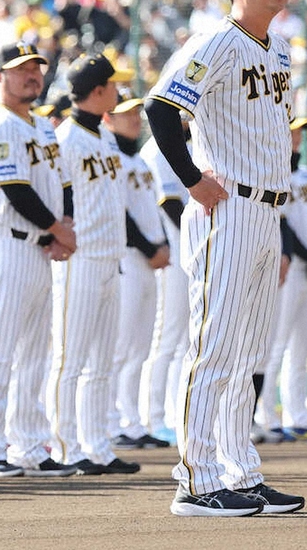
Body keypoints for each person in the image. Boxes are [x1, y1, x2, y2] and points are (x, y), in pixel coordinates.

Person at [145, 0, 305, 517]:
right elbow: (160, 108)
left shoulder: (281, 49)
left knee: (248, 353)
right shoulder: (215, 41)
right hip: (229, 206)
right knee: (213, 347)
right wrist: (191, 177)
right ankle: (196, 479)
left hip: (267, 209)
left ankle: (240, 469)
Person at [0, 42, 78, 478]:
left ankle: (29, 446)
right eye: (21, 69)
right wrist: (57, 228)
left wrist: (61, 225)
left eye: (37, 68)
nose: (32, 75)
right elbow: (15, 190)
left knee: (35, 354)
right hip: (4, 245)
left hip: (38, 248)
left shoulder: (43, 125)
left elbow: (63, 183)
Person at [46, 52, 141, 476]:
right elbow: (57, 199)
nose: (118, 91)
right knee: (70, 359)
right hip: (80, 258)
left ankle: (97, 446)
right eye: (114, 85)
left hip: (110, 256)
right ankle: (66, 447)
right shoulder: (64, 138)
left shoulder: (104, 137)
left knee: (102, 361)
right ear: (98, 90)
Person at [104, 91, 171, 451]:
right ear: (108, 118)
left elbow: (152, 213)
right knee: (121, 344)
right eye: (125, 113)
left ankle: (131, 421)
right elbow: (119, 213)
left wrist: (161, 247)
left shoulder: (139, 162)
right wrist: (151, 248)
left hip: (149, 260)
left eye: (135, 113)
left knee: (139, 347)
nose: (134, 118)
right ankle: (112, 420)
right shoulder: (112, 157)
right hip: (128, 257)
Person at [255, 117, 307, 441]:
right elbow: (281, 221)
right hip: (286, 266)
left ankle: (298, 416)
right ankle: (266, 416)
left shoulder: (304, 174)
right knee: (275, 345)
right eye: (290, 130)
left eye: (299, 131)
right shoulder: (272, 169)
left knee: (300, 348)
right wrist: (300, 252)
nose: (296, 136)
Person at [139, 121, 192, 445]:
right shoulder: (158, 149)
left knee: (184, 340)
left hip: (186, 251)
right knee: (167, 337)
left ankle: (173, 415)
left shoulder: (190, 146)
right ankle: (153, 416)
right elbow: (170, 204)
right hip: (171, 251)